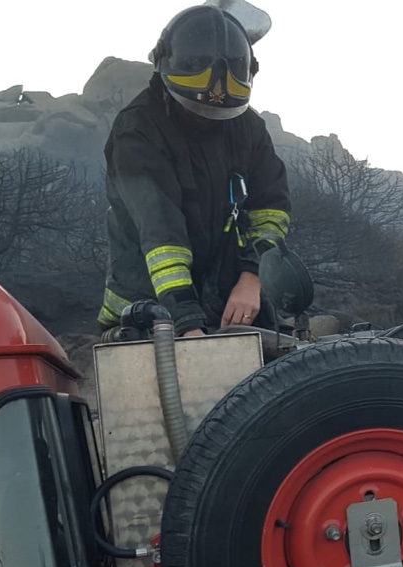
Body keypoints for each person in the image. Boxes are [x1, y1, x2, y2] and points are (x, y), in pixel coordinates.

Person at [97, 4, 292, 337]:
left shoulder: (247, 126)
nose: (207, 119)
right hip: (147, 307)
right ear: (165, 77)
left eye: (219, 114)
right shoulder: (137, 131)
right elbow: (160, 230)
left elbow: (270, 210)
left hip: (228, 300)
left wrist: (253, 277)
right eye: (195, 110)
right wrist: (186, 322)